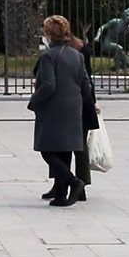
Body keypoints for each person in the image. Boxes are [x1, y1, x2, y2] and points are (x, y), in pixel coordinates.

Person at [29, 14, 95, 205]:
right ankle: (60, 193)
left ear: (49, 34)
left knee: (47, 150)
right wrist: (77, 101)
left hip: (54, 109)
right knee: (64, 149)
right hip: (74, 108)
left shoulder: (49, 56)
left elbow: (48, 85)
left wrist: (34, 101)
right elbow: (86, 85)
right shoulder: (77, 55)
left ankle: (74, 182)